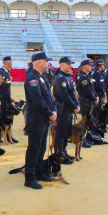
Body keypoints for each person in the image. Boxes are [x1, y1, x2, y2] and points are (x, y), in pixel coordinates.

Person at [24, 52, 56, 189]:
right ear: (38, 62)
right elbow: (38, 101)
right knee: (34, 148)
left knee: (42, 147)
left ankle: (39, 172)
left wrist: (53, 111)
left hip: (44, 118)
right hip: (37, 118)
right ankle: (30, 178)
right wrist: (50, 113)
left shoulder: (41, 77)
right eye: (46, 61)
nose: (48, 64)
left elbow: (49, 96)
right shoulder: (32, 78)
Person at [52, 57, 80, 164]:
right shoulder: (60, 78)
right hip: (62, 109)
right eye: (68, 64)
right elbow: (64, 96)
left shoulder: (67, 77)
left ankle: (63, 151)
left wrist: (76, 105)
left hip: (68, 108)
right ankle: (59, 154)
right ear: (62, 65)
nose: (70, 66)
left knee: (66, 131)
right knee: (61, 132)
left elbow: (72, 93)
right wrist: (74, 106)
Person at [0, 56, 15, 143]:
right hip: (2, 98)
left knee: (6, 118)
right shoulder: (1, 72)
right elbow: (4, 89)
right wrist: (10, 101)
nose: (12, 63)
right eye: (11, 62)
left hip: (5, 98)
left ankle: (9, 137)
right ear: (8, 63)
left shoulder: (5, 72)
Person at [76, 59, 99, 146]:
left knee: (87, 122)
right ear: (85, 66)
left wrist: (95, 96)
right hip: (85, 101)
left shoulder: (87, 76)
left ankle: (85, 139)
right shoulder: (83, 77)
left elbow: (92, 89)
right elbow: (87, 91)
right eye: (89, 65)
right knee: (84, 122)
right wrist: (94, 98)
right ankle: (82, 140)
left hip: (88, 101)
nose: (91, 67)